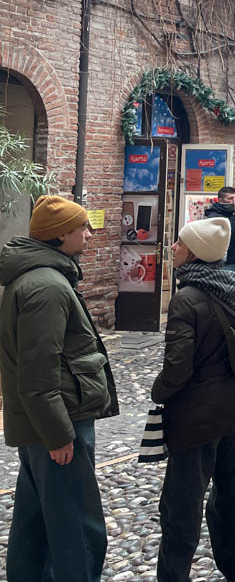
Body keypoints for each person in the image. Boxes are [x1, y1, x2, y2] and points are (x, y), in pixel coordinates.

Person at [0, 196, 118, 582]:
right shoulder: (46, 286)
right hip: (58, 421)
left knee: (36, 524)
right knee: (76, 527)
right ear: (61, 234)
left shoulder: (45, 277)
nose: (89, 232)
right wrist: (58, 434)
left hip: (48, 421)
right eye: (82, 227)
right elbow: (37, 372)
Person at [152, 216, 235, 582]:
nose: (174, 248)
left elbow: (178, 366)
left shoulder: (186, 298)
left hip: (194, 416)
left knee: (182, 503)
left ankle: (173, 575)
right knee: (232, 493)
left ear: (194, 253)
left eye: (179, 244)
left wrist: (158, 391)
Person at [204, 186, 235, 276]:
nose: (234, 201)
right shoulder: (215, 216)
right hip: (225, 263)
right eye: (230, 198)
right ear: (220, 200)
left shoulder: (231, 214)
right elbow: (231, 236)